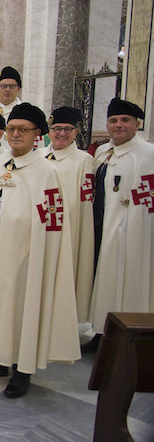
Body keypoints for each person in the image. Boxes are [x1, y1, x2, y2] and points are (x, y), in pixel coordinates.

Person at [0, 102, 79, 399]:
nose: (15, 134)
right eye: (12, 129)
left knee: (20, 305)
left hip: (26, 255)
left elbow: (51, 222)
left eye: (23, 130)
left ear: (38, 135)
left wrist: (8, 220)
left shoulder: (47, 171)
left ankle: (22, 371)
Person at [85, 98, 154, 352]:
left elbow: (147, 201)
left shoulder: (147, 155)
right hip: (101, 224)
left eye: (125, 120)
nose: (118, 125)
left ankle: (119, 336)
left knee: (121, 282)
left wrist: (129, 231)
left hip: (128, 232)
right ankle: (101, 331)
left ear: (137, 124)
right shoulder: (104, 152)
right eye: (113, 121)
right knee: (102, 281)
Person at [41, 107, 95, 326]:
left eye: (67, 129)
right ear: (49, 132)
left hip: (68, 228)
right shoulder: (39, 156)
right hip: (38, 226)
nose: (61, 133)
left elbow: (84, 203)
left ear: (76, 132)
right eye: (56, 129)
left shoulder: (84, 160)